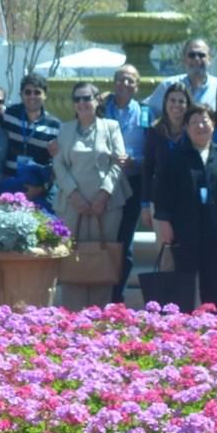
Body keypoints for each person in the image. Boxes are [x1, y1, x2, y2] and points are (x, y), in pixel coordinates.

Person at [52, 82, 128, 310]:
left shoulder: (111, 127)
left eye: (87, 98)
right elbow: (58, 164)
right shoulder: (65, 129)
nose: (82, 103)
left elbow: (119, 161)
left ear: (97, 100)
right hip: (72, 205)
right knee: (70, 259)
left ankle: (99, 316)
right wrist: (73, 194)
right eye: (77, 99)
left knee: (101, 259)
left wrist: (103, 195)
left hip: (106, 205)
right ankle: (71, 317)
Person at [153, 105, 217, 310]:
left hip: (216, 229)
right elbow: (162, 193)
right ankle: (183, 325)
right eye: (194, 122)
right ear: (186, 128)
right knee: (184, 285)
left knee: (215, 284)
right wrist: (164, 223)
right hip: (184, 230)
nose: (200, 126)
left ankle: (214, 322)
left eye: (204, 121)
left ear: (213, 124)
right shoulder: (175, 156)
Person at [100, 64, 147, 303]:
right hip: (102, 182)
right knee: (102, 238)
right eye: (120, 79)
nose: (125, 84)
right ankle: (97, 290)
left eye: (130, 80)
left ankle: (117, 297)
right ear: (114, 82)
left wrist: (136, 161)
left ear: (137, 86)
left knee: (124, 241)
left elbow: (152, 147)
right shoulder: (101, 108)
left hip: (132, 181)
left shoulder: (146, 112)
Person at [141, 83, 191, 230]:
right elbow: (148, 168)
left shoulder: (193, 130)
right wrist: (145, 205)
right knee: (164, 244)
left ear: (188, 105)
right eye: (172, 100)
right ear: (165, 103)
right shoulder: (155, 130)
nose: (176, 105)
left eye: (181, 101)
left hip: (189, 200)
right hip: (160, 200)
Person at [0, 73, 62, 181]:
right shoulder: (8, 115)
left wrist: (44, 186)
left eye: (37, 92)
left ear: (45, 95)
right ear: (21, 95)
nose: (32, 96)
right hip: (8, 182)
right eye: (28, 92)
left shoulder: (55, 126)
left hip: (36, 186)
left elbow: (57, 161)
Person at [146, 39, 217, 115]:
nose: (196, 59)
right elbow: (147, 108)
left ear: (209, 59)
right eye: (192, 55)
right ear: (183, 59)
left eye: (201, 55)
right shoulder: (168, 85)